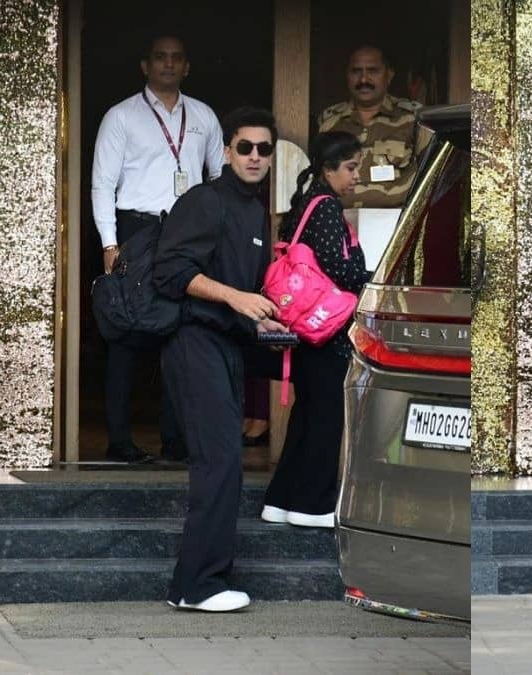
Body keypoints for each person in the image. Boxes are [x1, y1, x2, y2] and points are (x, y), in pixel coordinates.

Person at [153, 106, 283, 612]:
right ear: (227, 151)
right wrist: (235, 298)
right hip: (192, 341)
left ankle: (202, 581)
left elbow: (242, 292)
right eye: (245, 147)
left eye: (264, 149)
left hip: (227, 343)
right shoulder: (205, 200)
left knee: (225, 461)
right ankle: (195, 587)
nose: (254, 156)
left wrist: (258, 318)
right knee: (219, 460)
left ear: (272, 157)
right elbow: (171, 272)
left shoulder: (255, 211)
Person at [90, 33, 225, 463]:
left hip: (189, 232)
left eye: (176, 58)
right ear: (145, 66)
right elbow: (102, 184)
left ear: (187, 67)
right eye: (160, 58)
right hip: (137, 228)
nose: (168, 64)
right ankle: (119, 441)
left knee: (184, 332)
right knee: (127, 334)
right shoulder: (121, 116)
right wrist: (110, 242)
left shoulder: (203, 115)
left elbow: (220, 179)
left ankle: (175, 439)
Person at [261, 131, 373, 529]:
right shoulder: (326, 208)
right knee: (326, 418)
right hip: (326, 331)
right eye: (350, 167)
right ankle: (312, 506)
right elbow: (338, 269)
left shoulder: (305, 206)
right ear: (329, 169)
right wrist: (372, 275)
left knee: (307, 417)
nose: (356, 175)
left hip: (305, 330)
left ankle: (280, 501)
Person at [317, 45, 421, 209]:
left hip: (396, 226)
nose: (363, 79)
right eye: (356, 71)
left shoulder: (412, 118)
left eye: (373, 71)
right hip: (338, 223)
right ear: (347, 75)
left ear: (389, 75)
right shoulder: (329, 121)